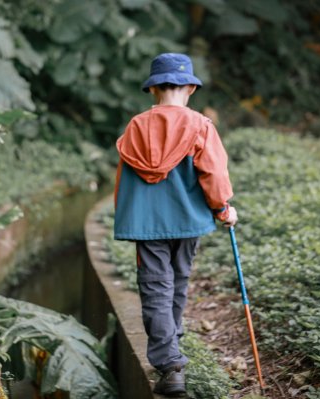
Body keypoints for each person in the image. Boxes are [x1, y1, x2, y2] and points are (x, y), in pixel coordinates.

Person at [113, 53, 237, 396]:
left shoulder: (136, 126)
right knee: (177, 283)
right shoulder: (200, 125)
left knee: (155, 287)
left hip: (147, 224)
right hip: (187, 221)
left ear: (153, 91)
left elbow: (124, 179)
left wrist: (127, 216)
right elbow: (214, 173)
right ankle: (172, 350)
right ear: (191, 88)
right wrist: (223, 208)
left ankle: (170, 365)